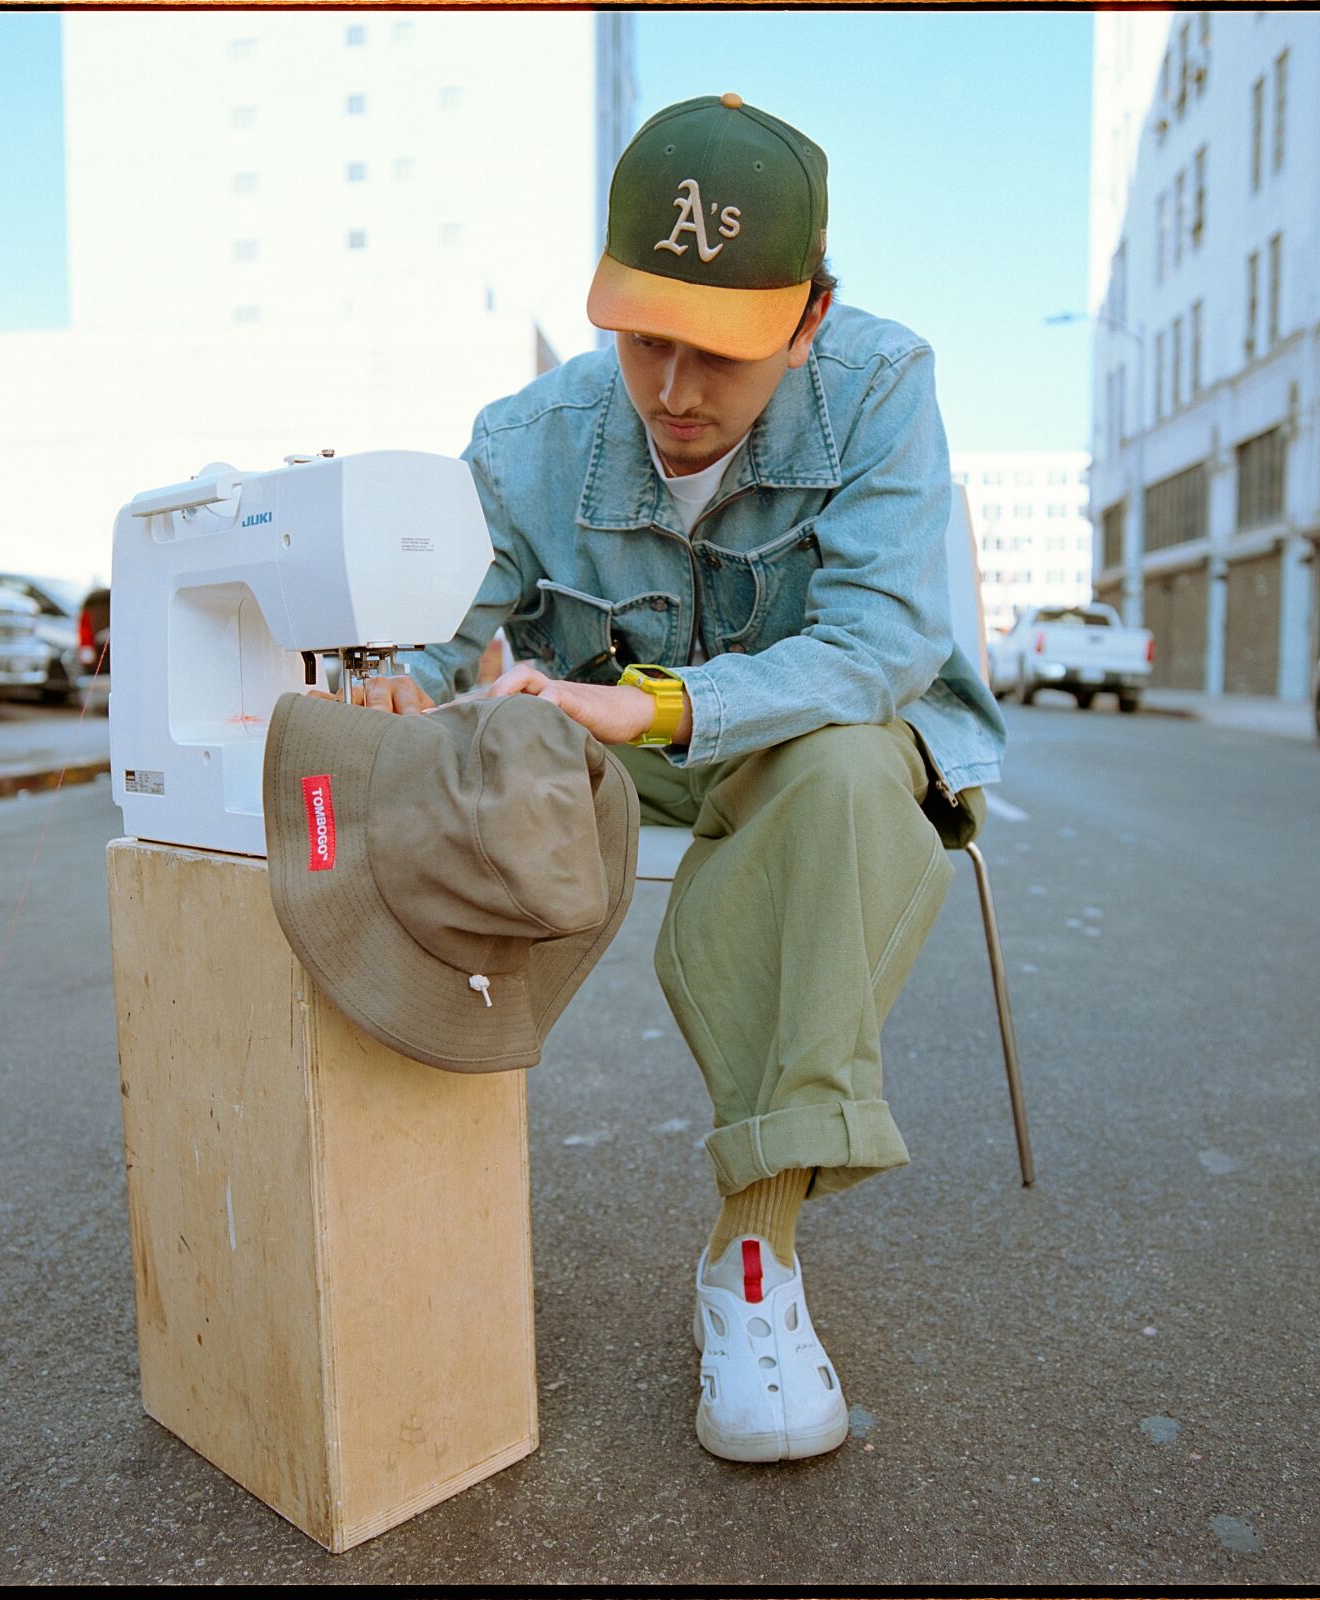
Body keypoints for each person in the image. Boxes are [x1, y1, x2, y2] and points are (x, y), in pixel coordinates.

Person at [316, 93, 1006, 1462]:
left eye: (723, 355)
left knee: (842, 782)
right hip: (634, 761)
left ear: (808, 319)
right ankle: (391, 1223)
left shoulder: (880, 384)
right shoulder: (529, 437)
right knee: (424, 768)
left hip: (827, 750)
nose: (675, 392)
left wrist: (654, 705)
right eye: (643, 340)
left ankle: (754, 1254)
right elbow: (442, 634)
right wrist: (395, 679)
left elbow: (878, 647)